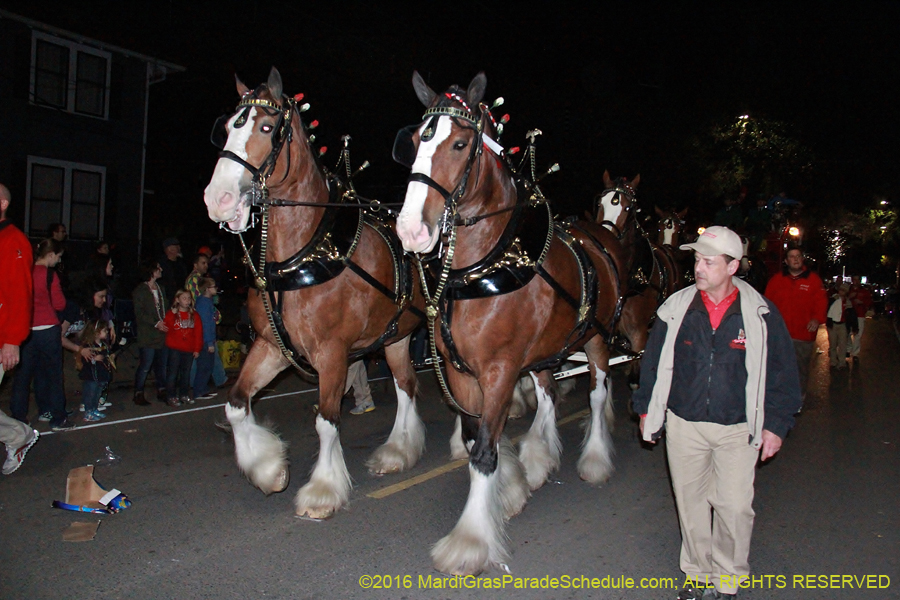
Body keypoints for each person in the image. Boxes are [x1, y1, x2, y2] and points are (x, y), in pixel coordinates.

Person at [633, 226, 802, 600]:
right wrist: (646, 409)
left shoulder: (760, 313)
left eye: (708, 261)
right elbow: (654, 363)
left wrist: (776, 425)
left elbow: (783, 375)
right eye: (696, 259)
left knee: (735, 507)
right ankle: (697, 572)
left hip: (737, 428)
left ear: (733, 267)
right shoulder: (676, 308)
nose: (699, 267)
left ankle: (727, 579)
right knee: (690, 505)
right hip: (684, 424)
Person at [0, 183, 43, 473]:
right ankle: (17, 435)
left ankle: (18, 435)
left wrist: (12, 340)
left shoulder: (13, 240)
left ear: (2, 203)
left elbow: (20, 294)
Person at [9, 239, 71, 429]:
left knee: (23, 376)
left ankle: (19, 418)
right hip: (48, 330)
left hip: (26, 330)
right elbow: (60, 304)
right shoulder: (49, 275)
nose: (58, 261)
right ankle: (57, 417)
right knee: (53, 375)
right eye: (58, 257)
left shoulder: (23, 270)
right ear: (50, 254)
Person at [764, 247, 828, 402]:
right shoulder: (776, 280)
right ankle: (778, 399)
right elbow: (766, 304)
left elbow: (821, 302)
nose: (796, 259)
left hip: (802, 335)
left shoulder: (813, 280)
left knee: (800, 368)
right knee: (777, 368)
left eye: (798, 256)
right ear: (786, 261)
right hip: (780, 335)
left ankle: (798, 398)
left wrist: (816, 319)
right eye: (792, 257)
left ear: (802, 259)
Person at [132, 260, 168, 405]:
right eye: (158, 267)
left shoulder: (161, 288)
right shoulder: (140, 291)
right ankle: (138, 392)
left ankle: (162, 389)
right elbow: (139, 313)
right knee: (146, 365)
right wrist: (156, 323)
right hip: (148, 334)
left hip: (162, 334)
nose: (161, 269)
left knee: (161, 365)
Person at [164, 289, 202, 407]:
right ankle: (171, 396)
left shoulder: (194, 315)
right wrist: (172, 314)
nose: (187, 301)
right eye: (184, 298)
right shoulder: (172, 314)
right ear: (177, 300)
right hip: (175, 348)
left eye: (189, 298)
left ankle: (184, 394)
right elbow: (166, 326)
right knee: (173, 373)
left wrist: (197, 349)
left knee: (186, 373)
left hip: (188, 349)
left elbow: (198, 333)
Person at [76, 319, 113, 422]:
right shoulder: (88, 346)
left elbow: (107, 356)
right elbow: (84, 360)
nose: (107, 333)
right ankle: (88, 411)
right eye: (105, 331)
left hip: (101, 374)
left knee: (97, 393)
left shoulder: (104, 345)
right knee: (90, 394)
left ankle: (94, 408)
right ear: (96, 333)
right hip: (91, 376)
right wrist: (93, 359)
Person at [193, 278, 219, 401]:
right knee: (204, 366)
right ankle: (199, 391)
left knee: (207, 365)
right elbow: (205, 324)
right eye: (214, 286)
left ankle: (203, 389)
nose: (216, 288)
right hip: (204, 340)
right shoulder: (203, 303)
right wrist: (209, 342)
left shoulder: (206, 302)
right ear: (207, 289)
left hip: (206, 339)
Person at [847, 275, 873, 360]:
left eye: (857, 280)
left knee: (858, 334)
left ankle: (855, 353)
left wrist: (861, 302)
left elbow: (869, 302)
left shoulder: (864, 291)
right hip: (849, 314)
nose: (856, 281)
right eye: (854, 279)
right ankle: (848, 349)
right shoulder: (848, 290)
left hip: (860, 314)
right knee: (848, 332)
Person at [826, 284, 851, 369]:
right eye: (840, 290)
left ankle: (842, 361)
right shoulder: (834, 299)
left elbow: (851, 314)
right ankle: (833, 361)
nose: (841, 292)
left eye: (843, 290)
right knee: (833, 344)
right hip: (833, 324)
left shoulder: (848, 302)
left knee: (842, 344)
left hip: (842, 324)